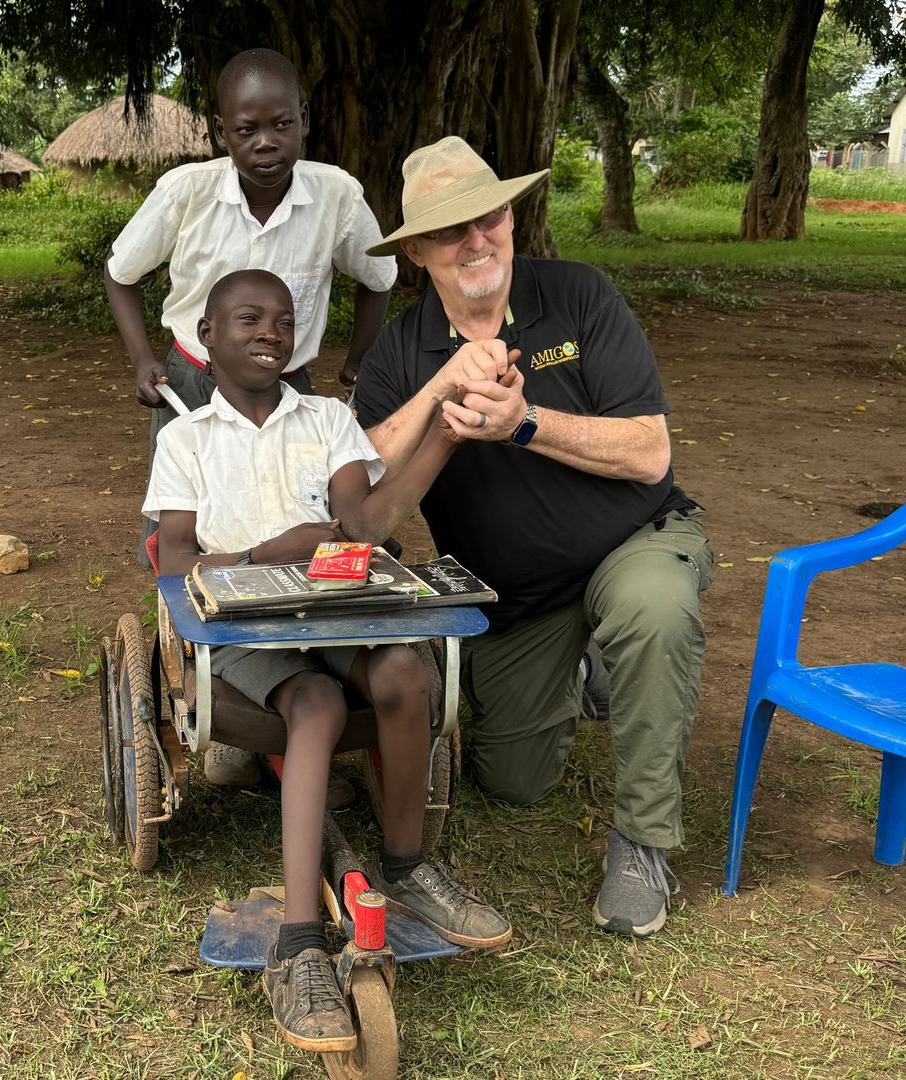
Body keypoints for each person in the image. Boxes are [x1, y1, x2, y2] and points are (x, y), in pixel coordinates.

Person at [350, 137, 715, 940]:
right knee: (512, 783)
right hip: (521, 600)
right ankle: (585, 667)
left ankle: (643, 840)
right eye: (452, 231)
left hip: (635, 536)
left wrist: (525, 424)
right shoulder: (400, 353)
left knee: (652, 608)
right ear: (416, 252)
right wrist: (442, 397)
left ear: (511, 217)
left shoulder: (580, 296)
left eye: (489, 218)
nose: (477, 240)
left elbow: (652, 450)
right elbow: (363, 508)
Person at [144, 269, 509, 1053]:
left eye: (284, 320)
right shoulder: (186, 441)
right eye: (248, 319)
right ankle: (299, 941)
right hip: (247, 638)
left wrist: (442, 434)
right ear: (207, 339)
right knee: (316, 704)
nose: (270, 332)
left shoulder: (329, 421)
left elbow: (367, 519)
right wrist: (259, 554)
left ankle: (407, 870)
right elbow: (175, 561)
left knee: (409, 671)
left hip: (335, 615)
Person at [105, 48, 395, 554]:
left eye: (282, 124)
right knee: (186, 530)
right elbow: (120, 273)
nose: (266, 143)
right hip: (190, 382)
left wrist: (357, 361)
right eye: (246, 131)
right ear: (221, 132)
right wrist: (141, 360)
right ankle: (188, 628)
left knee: (301, 515)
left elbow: (379, 275)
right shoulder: (185, 192)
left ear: (303, 120)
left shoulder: (337, 197)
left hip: (287, 384)